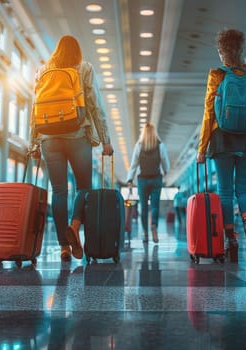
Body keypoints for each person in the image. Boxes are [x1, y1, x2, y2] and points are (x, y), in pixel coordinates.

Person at [29, 35, 114, 261]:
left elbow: (34, 108)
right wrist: (105, 140)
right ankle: (75, 226)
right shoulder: (84, 68)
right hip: (77, 135)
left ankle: (64, 247)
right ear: (77, 51)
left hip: (48, 139)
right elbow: (95, 105)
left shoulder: (42, 71)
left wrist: (34, 142)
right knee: (83, 187)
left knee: (58, 191)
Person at [196, 28, 246, 261]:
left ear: (222, 52)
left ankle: (230, 237)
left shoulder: (217, 76)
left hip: (222, 139)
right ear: (241, 50)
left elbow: (208, 114)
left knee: (225, 193)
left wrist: (202, 148)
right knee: (244, 190)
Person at [126, 123, 170, 244]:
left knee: (144, 207)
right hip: (156, 178)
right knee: (155, 205)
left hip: (142, 180)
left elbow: (134, 164)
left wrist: (130, 179)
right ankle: (154, 226)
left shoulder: (139, 145)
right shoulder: (160, 145)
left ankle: (145, 233)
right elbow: (165, 160)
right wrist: (166, 171)